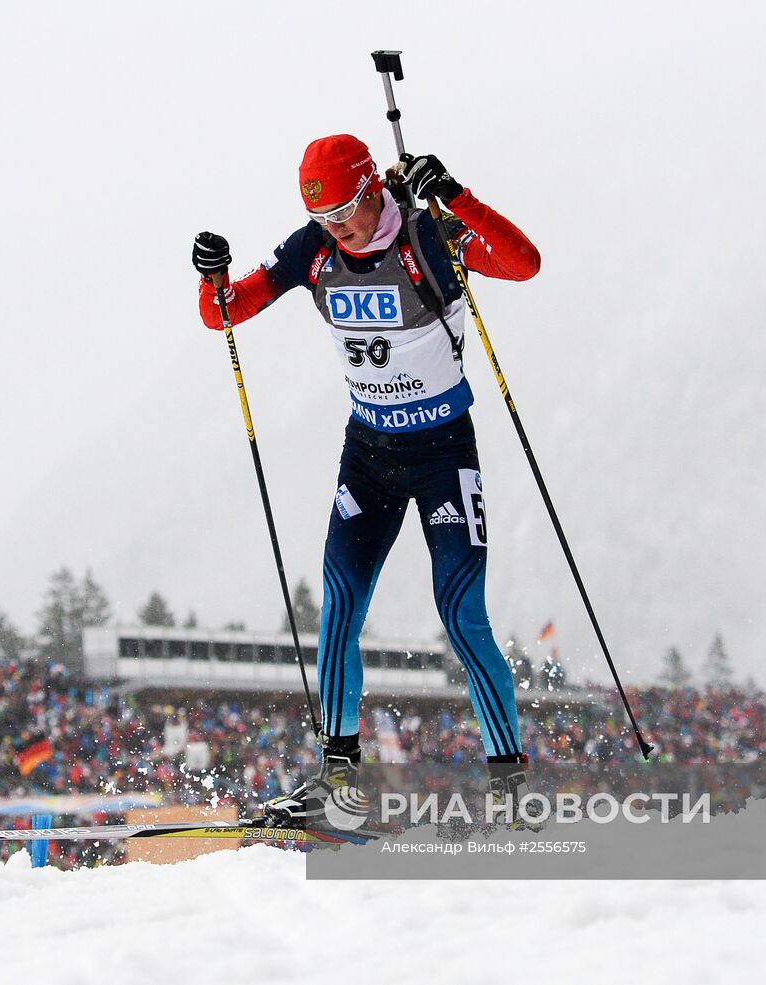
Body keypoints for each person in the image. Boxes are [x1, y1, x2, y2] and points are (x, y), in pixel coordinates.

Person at [192, 134, 541, 826]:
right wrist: (213, 279)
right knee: (341, 606)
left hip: (444, 452)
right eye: (324, 217)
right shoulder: (313, 250)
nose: (341, 228)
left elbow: (523, 264)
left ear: (371, 187)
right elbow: (223, 313)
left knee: (462, 616)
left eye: (349, 209)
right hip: (369, 454)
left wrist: (457, 197)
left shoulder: (426, 234)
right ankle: (336, 780)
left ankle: (509, 787)